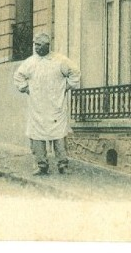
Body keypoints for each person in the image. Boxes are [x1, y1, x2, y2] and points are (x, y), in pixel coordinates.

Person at [13, 32, 81, 175]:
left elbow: (75, 73)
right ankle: (41, 165)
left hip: (56, 107)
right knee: (37, 136)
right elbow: (18, 76)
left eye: (39, 45)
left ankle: (63, 164)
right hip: (37, 107)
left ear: (47, 46)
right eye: (35, 44)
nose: (36, 47)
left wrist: (66, 87)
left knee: (59, 136)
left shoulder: (60, 60)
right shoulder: (30, 62)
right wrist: (26, 89)